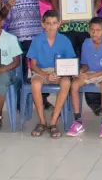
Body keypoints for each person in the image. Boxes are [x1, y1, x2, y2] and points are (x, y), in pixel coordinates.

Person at [49, 0, 102, 115]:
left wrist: (94, 10)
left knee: (88, 63)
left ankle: (94, 102)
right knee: (69, 64)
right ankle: (69, 103)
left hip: (85, 27)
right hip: (66, 28)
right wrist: (60, 16)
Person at [0, 0, 54, 110]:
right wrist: (7, 5)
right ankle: (19, 102)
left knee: (41, 67)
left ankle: (42, 99)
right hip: (14, 38)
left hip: (35, 35)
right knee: (19, 70)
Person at [66, 17, 102, 138]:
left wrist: (92, 75)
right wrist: (80, 71)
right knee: (74, 84)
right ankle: (78, 121)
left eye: (98, 30)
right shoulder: (86, 43)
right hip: (90, 72)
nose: (95, 33)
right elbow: (85, 64)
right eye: (92, 30)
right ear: (88, 31)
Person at [26, 10, 76, 138]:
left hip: (60, 72)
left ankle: (53, 121)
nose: (51, 26)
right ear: (43, 24)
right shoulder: (37, 40)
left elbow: (70, 63)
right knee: (35, 83)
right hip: (41, 72)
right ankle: (42, 121)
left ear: (59, 24)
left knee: (66, 82)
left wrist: (60, 73)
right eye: (48, 23)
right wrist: (46, 75)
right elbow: (33, 65)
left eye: (54, 23)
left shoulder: (65, 40)